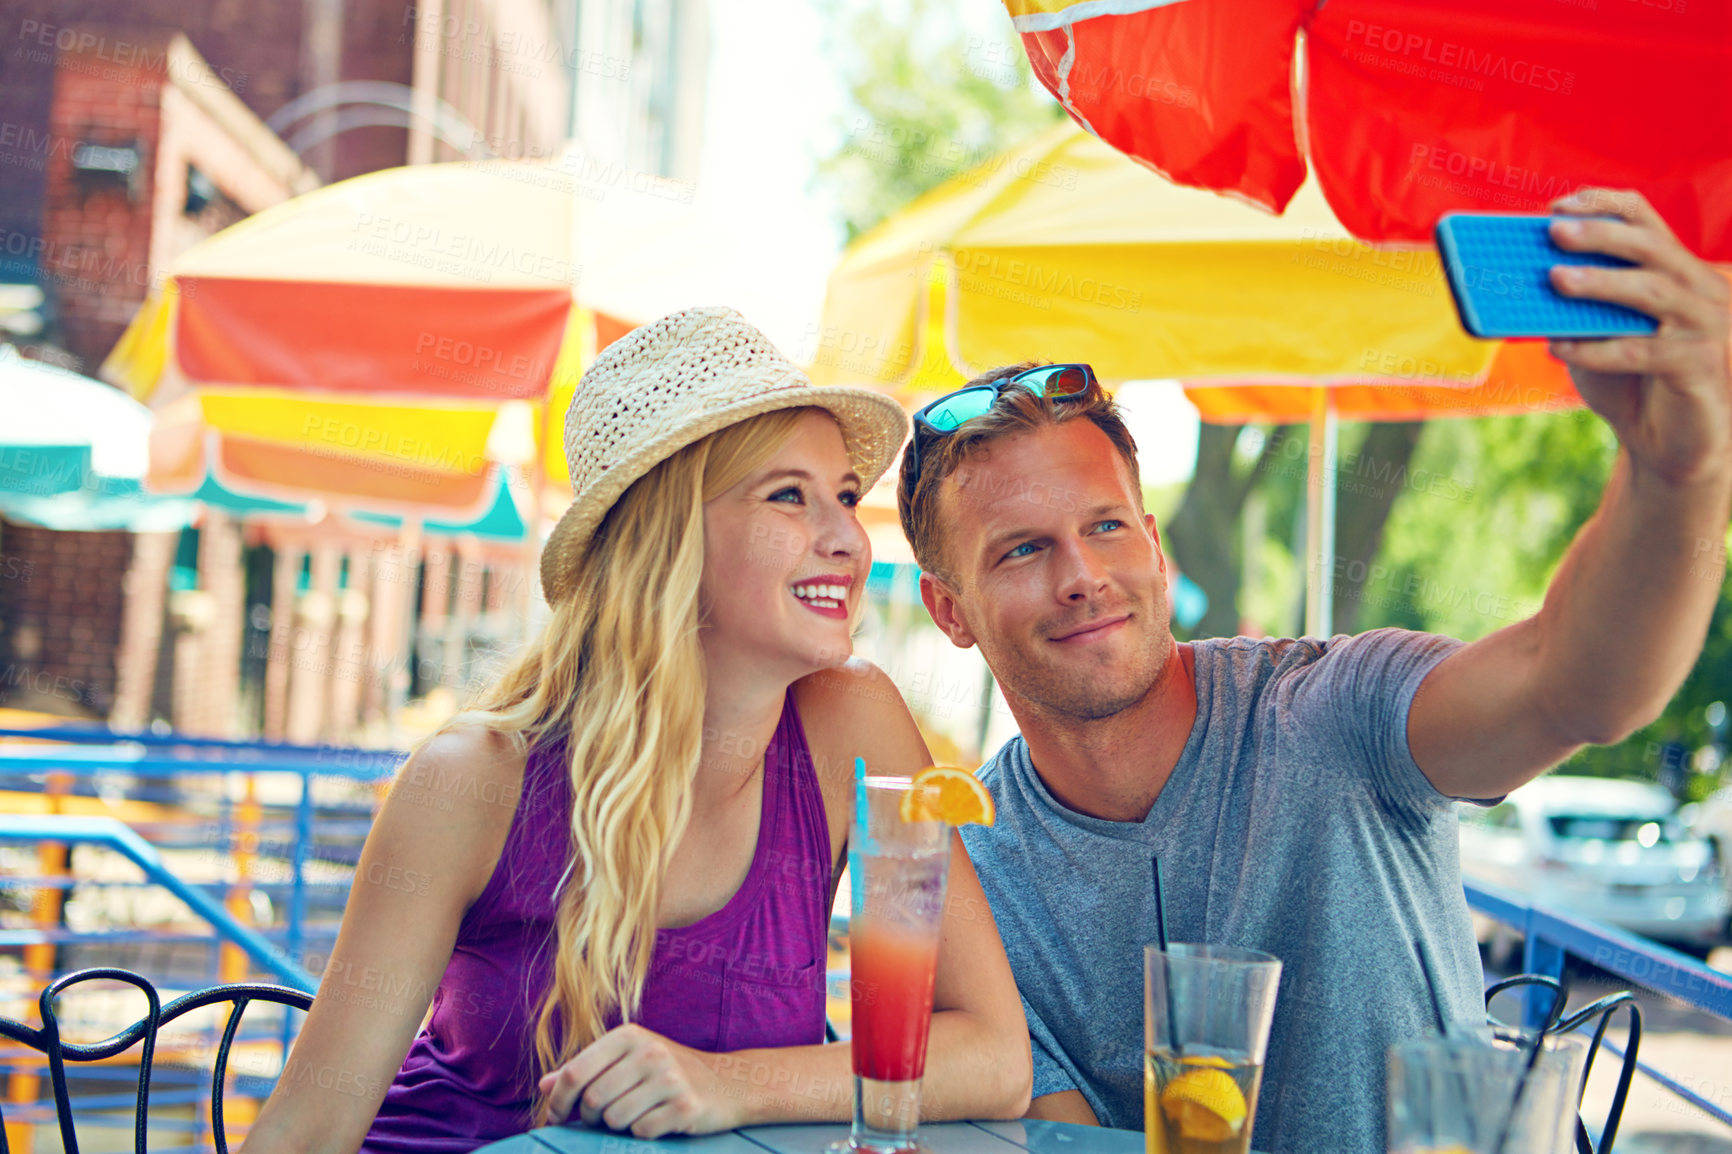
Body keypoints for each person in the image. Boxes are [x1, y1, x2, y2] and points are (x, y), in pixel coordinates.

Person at [895, 191, 1731, 1153]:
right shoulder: (977, 873)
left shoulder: (1329, 707)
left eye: (1106, 527)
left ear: (1157, 551)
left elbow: (1576, 682)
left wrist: (1676, 474)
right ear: (948, 610)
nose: (1083, 577)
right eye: (1020, 551)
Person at [242, 307, 1032, 1154]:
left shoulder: (851, 724)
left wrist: (721, 1084)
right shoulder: (474, 779)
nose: (847, 539)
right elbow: (304, 1129)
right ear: (669, 539)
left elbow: (995, 1057)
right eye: (789, 497)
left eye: (844, 496)